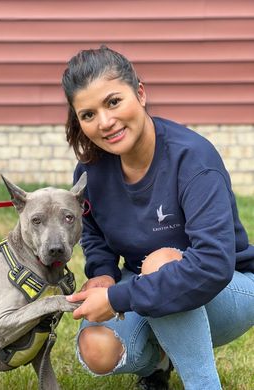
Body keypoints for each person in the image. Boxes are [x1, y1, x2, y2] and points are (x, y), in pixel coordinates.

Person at [62, 46, 254, 390]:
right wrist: (104, 275)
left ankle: (203, 384)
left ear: (140, 93)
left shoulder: (193, 159)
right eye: (88, 115)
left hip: (229, 288)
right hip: (145, 285)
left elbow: (212, 265)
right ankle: (161, 360)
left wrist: (117, 299)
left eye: (113, 102)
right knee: (97, 348)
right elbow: (92, 230)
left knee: (162, 264)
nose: (105, 122)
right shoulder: (91, 169)